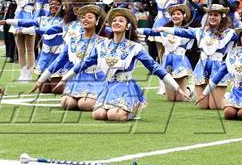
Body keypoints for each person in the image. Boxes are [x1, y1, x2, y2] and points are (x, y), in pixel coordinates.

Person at [55, 8, 188, 121]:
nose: (116, 23)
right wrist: (65, 78)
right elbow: (84, 64)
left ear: (127, 26)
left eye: (121, 21)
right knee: (98, 115)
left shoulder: (135, 47)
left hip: (125, 86)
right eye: (114, 20)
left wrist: (177, 87)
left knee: (113, 115)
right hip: (107, 85)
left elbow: (156, 68)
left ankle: (131, 109)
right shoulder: (102, 45)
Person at [131, 0, 210, 94]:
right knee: (162, 54)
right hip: (159, 22)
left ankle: (183, 83)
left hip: (174, 23)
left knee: (176, 52)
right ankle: (164, 85)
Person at [154, 4, 238, 110]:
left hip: (217, 67)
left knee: (214, 106)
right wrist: (163, 29)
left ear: (222, 17)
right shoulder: (200, 31)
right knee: (203, 106)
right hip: (202, 67)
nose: (212, 17)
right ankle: (192, 90)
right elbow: (182, 32)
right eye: (210, 14)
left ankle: (228, 97)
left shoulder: (229, 33)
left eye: (216, 15)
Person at [31, 5, 106, 111]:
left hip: (95, 78)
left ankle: (106, 97)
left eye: (90, 17)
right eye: (83, 17)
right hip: (76, 78)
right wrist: (41, 79)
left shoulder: (103, 42)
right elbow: (59, 61)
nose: (85, 19)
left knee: (84, 104)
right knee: (67, 103)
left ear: (97, 21)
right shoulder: (72, 40)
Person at [0, 0, 66, 93]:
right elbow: (26, 22)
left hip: (58, 57)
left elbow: (49, 30)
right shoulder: (43, 19)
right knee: (44, 90)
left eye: (57, 4)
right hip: (46, 57)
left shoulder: (65, 21)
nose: (53, 6)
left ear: (62, 6)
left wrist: (24, 31)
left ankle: (68, 82)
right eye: (52, 4)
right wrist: (8, 21)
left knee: (56, 90)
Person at [138, 4, 193, 101]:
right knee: (171, 99)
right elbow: (150, 31)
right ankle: (184, 91)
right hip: (167, 61)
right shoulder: (164, 29)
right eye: (173, 14)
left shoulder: (188, 30)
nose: (175, 16)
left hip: (180, 61)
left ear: (183, 16)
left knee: (180, 99)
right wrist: (135, 30)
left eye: (178, 14)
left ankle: (190, 90)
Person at [0, 0, 36, 79]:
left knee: (30, 49)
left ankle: (30, 73)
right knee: (20, 49)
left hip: (30, 18)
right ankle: (23, 72)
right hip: (17, 18)